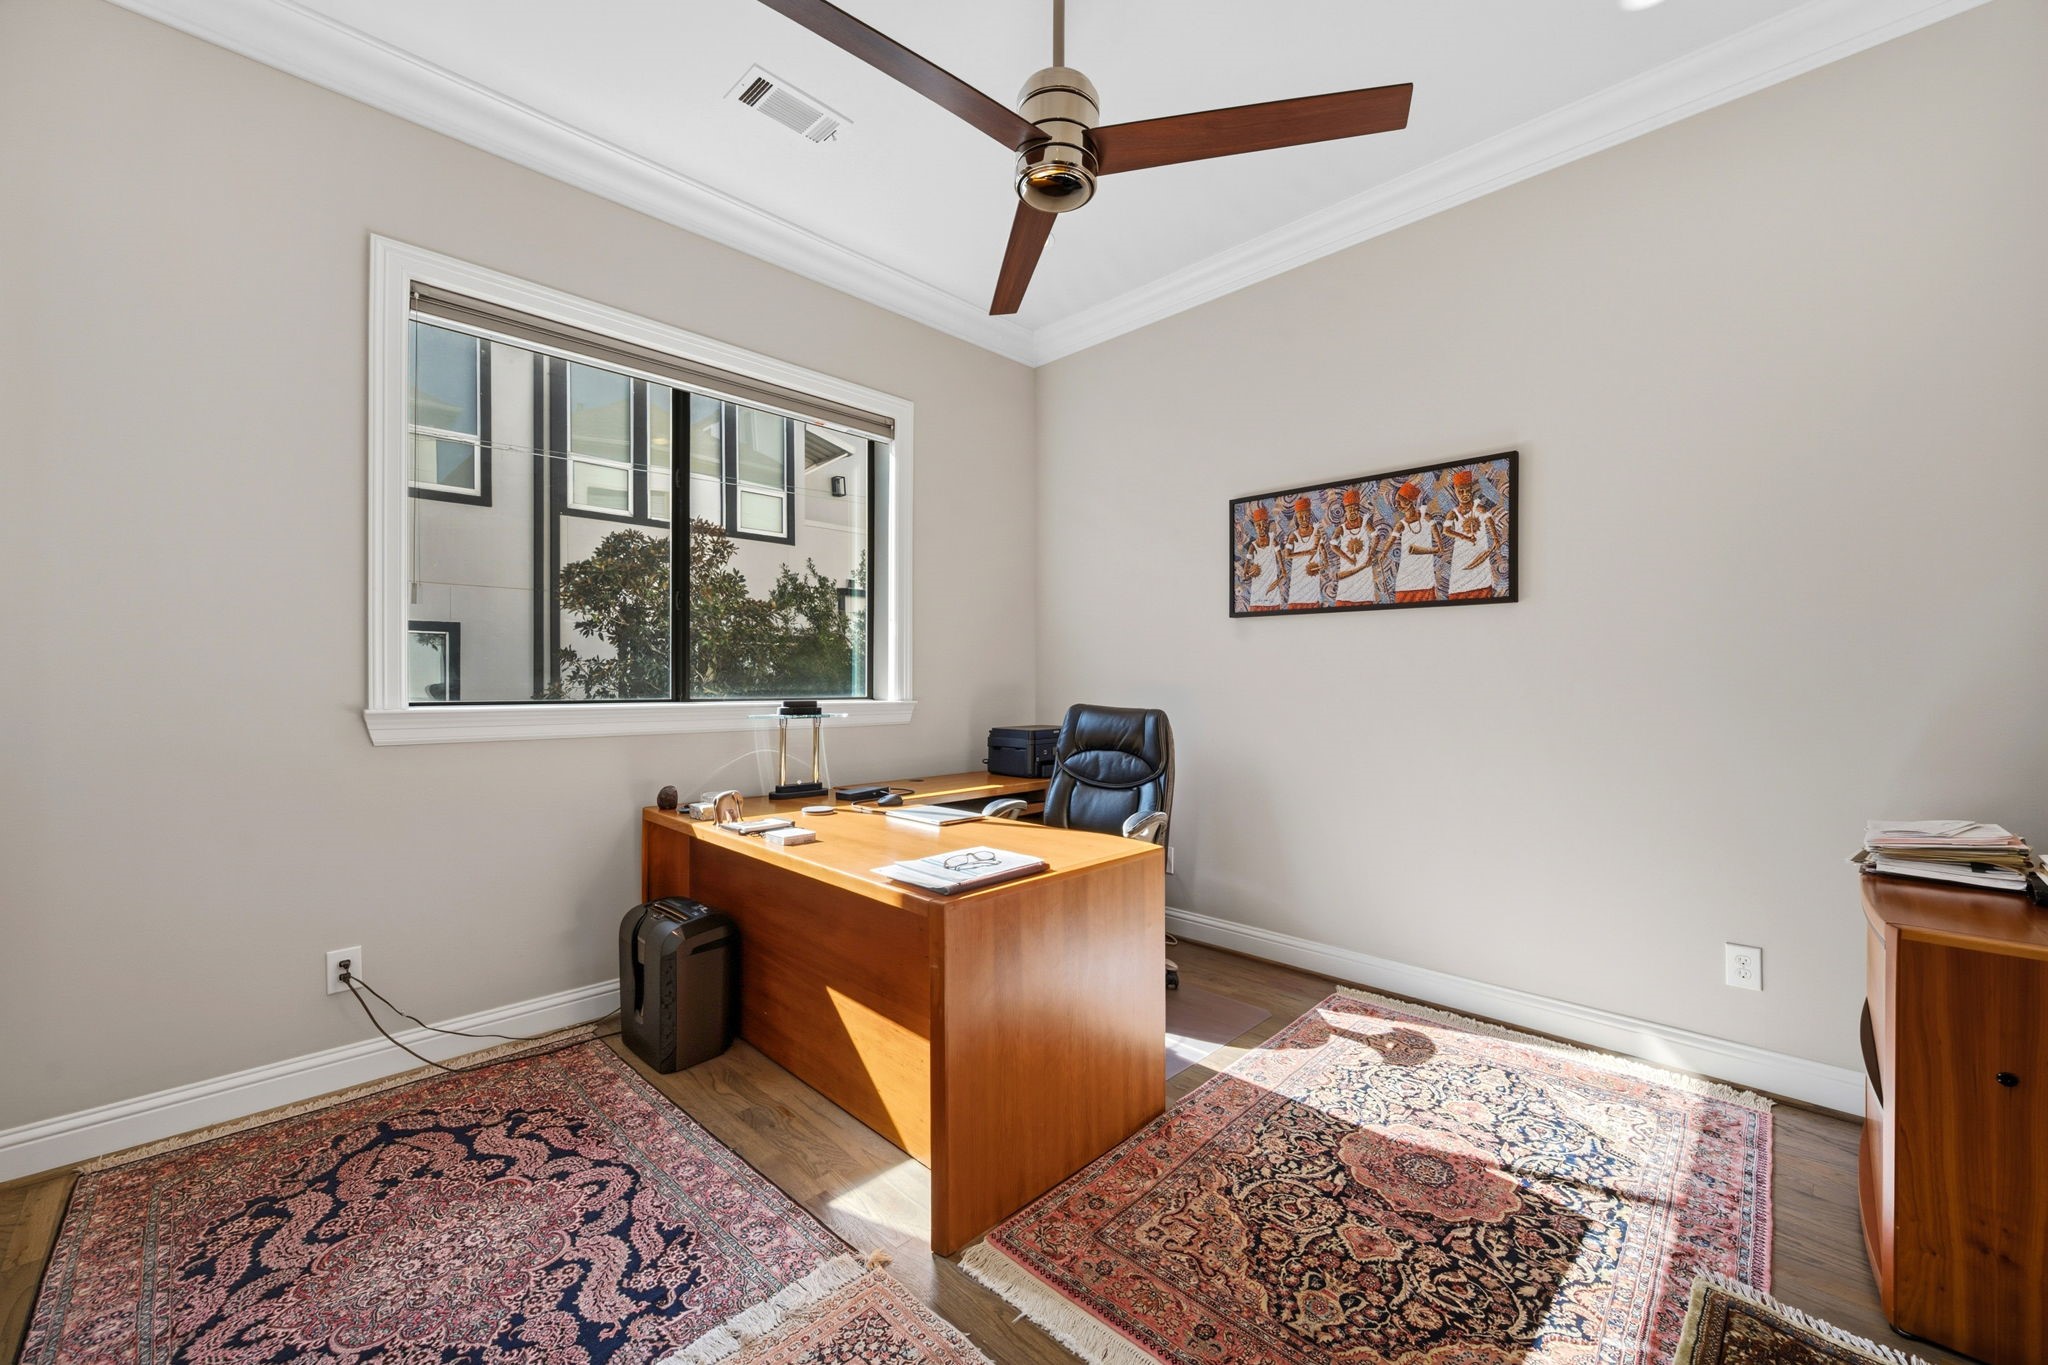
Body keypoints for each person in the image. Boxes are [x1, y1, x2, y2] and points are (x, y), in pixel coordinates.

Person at [1439, 468, 1498, 600]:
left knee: (1481, 580)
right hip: (1461, 554)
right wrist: (1464, 537)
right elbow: (1446, 530)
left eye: (1467, 491)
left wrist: (1495, 538)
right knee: (1460, 581)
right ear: (1455, 491)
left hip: (1479, 551)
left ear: (1471, 490)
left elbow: (1489, 521)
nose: (1465, 494)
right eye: (1461, 491)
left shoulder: (1479, 508)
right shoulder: (1453, 513)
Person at [1391, 480, 1442, 603]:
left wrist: (1422, 551)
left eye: (1400, 501)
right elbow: (1390, 542)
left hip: (1423, 573)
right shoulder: (1401, 524)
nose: (1397, 505)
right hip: (1406, 572)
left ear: (1409, 501)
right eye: (1396, 502)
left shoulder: (1426, 518)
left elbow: (1440, 547)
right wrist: (1382, 555)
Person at [1330, 486, 1377, 605]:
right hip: (1347, 569)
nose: (1352, 512)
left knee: (1365, 600)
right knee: (1344, 599)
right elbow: (1333, 545)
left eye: (1354, 509)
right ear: (1345, 511)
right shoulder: (1341, 528)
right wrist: (1347, 558)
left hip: (1364, 570)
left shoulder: (1365, 524)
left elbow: (1376, 537)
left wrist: (1370, 555)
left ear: (1358, 509)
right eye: (1349, 509)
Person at [1279, 495, 1324, 608]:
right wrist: (1307, 552)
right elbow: (1287, 555)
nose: (1304, 520)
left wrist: (1325, 562)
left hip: (1312, 577)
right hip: (1298, 577)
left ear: (1310, 515)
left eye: (1306, 516)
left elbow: (1322, 549)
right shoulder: (1293, 536)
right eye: (1300, 517)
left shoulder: (1316, 533)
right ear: (1296, 518)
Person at [1239, 504, 1285, 610]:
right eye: (1257, 525)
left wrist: (1281, 575)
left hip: (1271, 587)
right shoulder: (1253, 546)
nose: (1261, 528)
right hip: (1258, 587)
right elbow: (1245, 572)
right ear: (1254, 527)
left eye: (1263, 524)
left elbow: (1282, 566)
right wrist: (1250, 572)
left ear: (1267, 525)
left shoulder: (1273, 541)